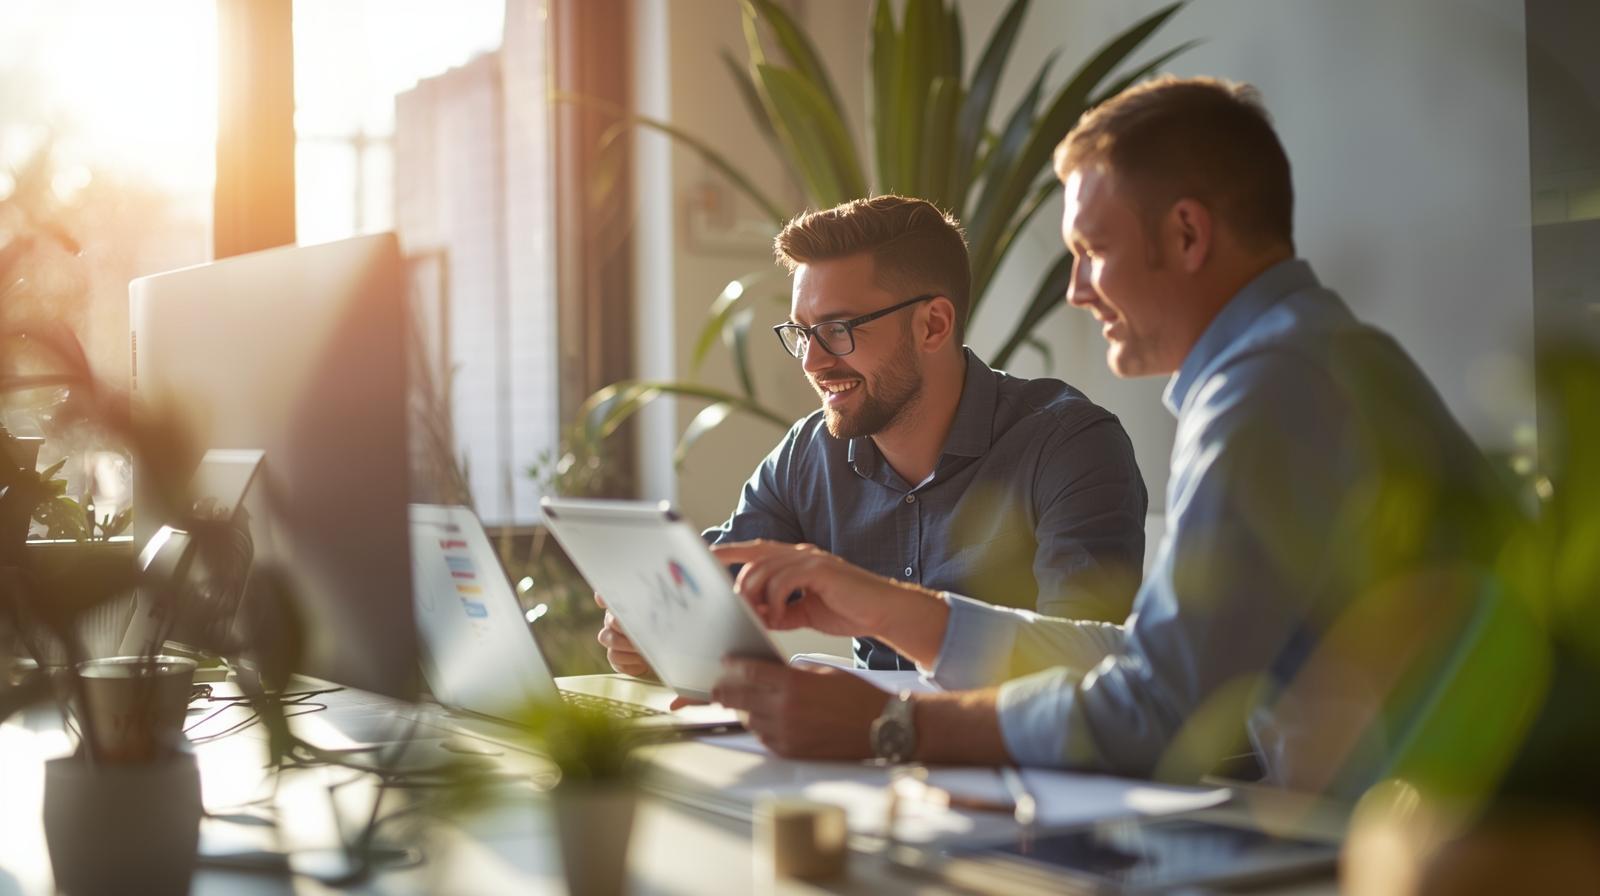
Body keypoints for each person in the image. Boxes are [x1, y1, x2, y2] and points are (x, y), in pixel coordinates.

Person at [710, 76, 1513, 795]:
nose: (1077, 291)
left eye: (1093, 250)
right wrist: (886, 608)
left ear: (1189, 235)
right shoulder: (1309, 358)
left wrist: (891, 728)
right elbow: (1148, 664)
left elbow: (1158, 710)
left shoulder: (1272, 390)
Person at [599, 195, 1148, 675]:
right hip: (866, 766)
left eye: (837, 329)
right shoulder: (808, 454)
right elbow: (712, 585)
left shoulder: (1069, 446)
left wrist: (886, 652)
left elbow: (1087, 671)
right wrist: (659, 631)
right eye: (801, 332)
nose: (812, 361)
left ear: (932, 324)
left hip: (1012, 775)